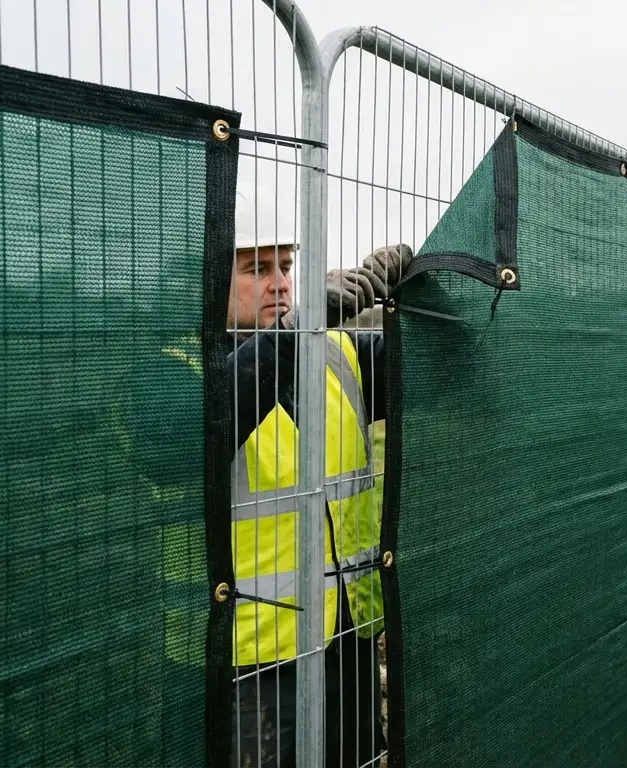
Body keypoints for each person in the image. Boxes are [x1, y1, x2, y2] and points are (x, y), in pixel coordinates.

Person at [147, 184, 411, 768]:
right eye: (256, 268)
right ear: (206, 278)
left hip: (347, 639)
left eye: (286, 266)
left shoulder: (336, 353)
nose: (281, 283)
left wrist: (415, 292)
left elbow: (433, 367)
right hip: (243, 663)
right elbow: (190, 436)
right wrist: (296, 331)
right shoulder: (165, 375)